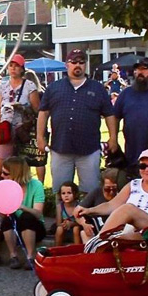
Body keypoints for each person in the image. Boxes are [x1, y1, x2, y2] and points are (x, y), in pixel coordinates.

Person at [36, 49, 118, 193]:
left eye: (81, 62)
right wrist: (40, 137)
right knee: (60, 192)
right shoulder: (54, 87)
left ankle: (88, 216)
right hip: (60, 147)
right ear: (67, 64)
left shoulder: (98, 88)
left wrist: (113, 137)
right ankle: (61, 216)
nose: (77, 65)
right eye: (73, 62)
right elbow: (43, 113)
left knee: (90, 192)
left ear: (85, 65)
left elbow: (109, 115)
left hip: (89, 150)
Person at [74, 149, 148, 233]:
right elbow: (111, 205)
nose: (147, 169)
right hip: (132, 229)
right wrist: (89, 210)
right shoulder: (133, 185)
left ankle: (98, 241)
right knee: (124, 231)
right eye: (142, 166)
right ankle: (99, 246)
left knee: (128, 208)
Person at [0, 54, 40, 177]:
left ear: (22, 68)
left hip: (23, 130)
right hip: (5, 129)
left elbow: (38, 110)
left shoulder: (29, 86)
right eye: (10, 66)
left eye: (16, 66)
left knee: (20, 169)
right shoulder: (3, 86)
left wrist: (22, 108)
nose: (13, 68)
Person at [0, 156, 46, 268]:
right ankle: (13, 255)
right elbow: (3, 215)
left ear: (16, 174)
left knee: (27, 216)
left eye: (6, 174)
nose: (2, 176)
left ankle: (30, 256)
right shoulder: (4, 187)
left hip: (34, 226)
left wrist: (21, 207)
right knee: (7, 219)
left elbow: (38, 213)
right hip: (16, 226)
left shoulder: (36, 185)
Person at [75, 168, 119, 240]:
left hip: (117, 229)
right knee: (85, 233)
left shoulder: (123, 193)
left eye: (114, 189)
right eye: (107, 189)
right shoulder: (97, 192)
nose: (111, 192)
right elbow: (76, 212)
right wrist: (84, 224)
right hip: (98, 229)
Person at [55, 181, 82, 246]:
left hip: (77, 232)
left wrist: (72, 224)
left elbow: (82, 222)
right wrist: (64, 224)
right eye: (63, 193)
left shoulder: (79, 206)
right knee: (59, 229)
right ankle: (56, 249)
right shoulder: (60, 207)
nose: (66, 196)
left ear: (75, 194)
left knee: (76, 228)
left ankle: (77, 251)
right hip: (65, 231)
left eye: (69, 193)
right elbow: (58, 223)